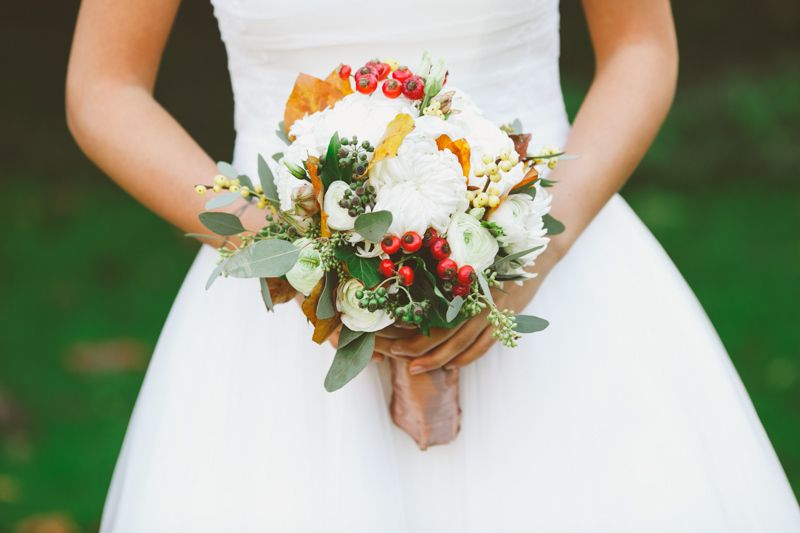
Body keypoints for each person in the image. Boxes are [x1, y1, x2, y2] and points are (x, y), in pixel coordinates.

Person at [66, 0, 800, 531]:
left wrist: (536, 248)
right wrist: (292, 248)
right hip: (282, 322)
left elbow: (641, 45)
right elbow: (104, 87)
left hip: (554, 273)